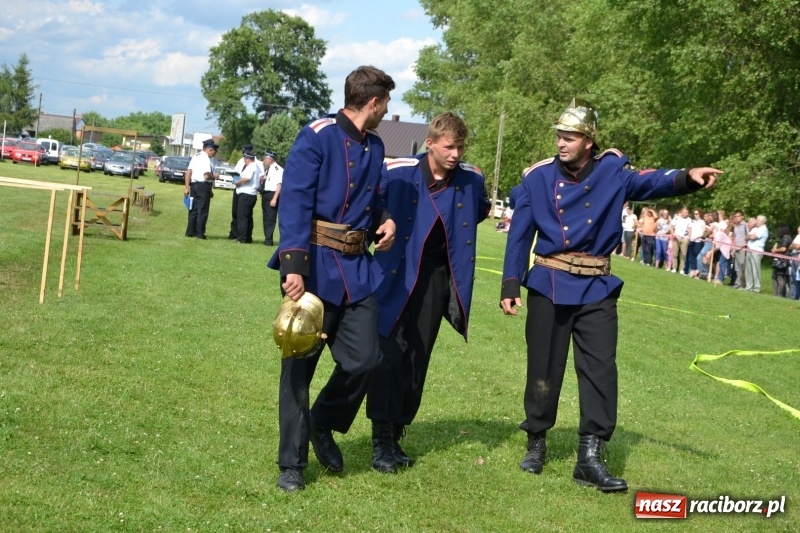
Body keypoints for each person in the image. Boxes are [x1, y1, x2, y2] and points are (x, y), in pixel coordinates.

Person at [500, 98, 720, 492]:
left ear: (589, 140)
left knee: (600, 370)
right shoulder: (537, 179)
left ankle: (590, 457)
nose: (561, 143)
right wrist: (510, 284)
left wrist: (688, 177)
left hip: (597, 287)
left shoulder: (612, 172)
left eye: (569, 137)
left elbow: (651, 181)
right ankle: (536, 442)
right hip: (549, 283)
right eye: (559, 136)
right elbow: (519, 236)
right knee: (544, 370)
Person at [266, 65, 397, 493]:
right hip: (315, 269)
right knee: (298, 370)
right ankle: (292, 466)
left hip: (358, 270)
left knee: (364, 361)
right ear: (373, 103)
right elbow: (296, 203)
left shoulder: (375, 147)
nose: (385, 111)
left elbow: (373, 197)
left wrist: (385, 219)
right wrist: (294, 269)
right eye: (386, 104)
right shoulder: (316, 136)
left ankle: (323, 422)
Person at [365, 112, 491, 473]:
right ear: (431, 143)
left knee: (417, 356)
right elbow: (375, 206)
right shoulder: (398, 171)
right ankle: (381, 441)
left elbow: (475, 213)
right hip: (395, 272)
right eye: (449, 147)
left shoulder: (470, 181)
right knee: (389, 354)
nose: (455, 154)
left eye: (461, 147)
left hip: (435, 277)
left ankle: (397, 430)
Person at [184, 138, 219, 239]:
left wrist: (186, 187)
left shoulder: (196, 156)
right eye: (214, 152)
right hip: (203, 186)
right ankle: (200, 233)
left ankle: (190, 231)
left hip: (194, 185)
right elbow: (207, 176)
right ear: (210, 149)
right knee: (202, 210)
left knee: (193, 209)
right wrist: (215, 176)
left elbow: (188, 172)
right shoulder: (206, 159)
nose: (214, 155)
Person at [228, 144, 264, 240]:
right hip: (246, 193)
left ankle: (242, 237)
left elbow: (246, 178)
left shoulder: (252, 166)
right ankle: (245, 237)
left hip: (247, 193)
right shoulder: (253, 166)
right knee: (244, 215)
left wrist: (238, 182)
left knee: (242, 216)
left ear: (248, 159)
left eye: (244, 158)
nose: (243, 160)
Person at [260, 150, 283, 246]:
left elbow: (279, 185)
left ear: (270, 159)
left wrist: (275, 198)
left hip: (272, 194)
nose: (264, 160)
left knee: (270, 217)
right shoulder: (268, 169)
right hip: (265, 193)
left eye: (265, 158)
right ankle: (267, 238)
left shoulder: (278, 169)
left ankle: (269, 240)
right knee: (265, 217)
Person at [744, 215, 769, 292]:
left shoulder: (763, 229)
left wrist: (750, 236)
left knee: (755, 270)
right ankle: (749, 287)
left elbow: (752, 237)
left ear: (762, 221)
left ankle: (757, 288)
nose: (756, 221)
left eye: (757, 220)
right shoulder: (755, 228)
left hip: (757, 251)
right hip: (749, 250)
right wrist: (750, 236)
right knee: (748, 270)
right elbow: (746, 237)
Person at [770, 225, 792, 297]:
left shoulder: (786, 237)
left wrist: (775, 250)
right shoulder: (784, 238)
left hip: (783, 260)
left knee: (780, 276)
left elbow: (783, 249)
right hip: (779, 259)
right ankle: (775, 294)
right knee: (774, 276)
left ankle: (780, 294)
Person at [729, 210, 748, 288]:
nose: (736, 218)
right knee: (737, 267)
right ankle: (738, 283)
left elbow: (748, 236)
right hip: (736, 248)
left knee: (742, 266)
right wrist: (733, 248)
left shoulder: (745, 225)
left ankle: (740, 284)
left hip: (742, 248)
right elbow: (735, 237)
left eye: (738, 216)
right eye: (735, 216)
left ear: (742, 216)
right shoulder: (735, 226)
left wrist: (745, 245)